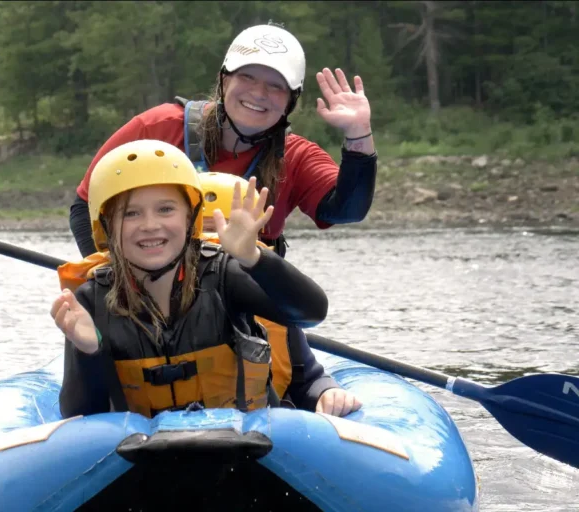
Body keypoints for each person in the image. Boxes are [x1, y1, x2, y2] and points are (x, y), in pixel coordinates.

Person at [51, 140, 360, 419]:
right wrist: (88, 351)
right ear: (106, 226)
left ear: (190, 218)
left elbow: (311, 312)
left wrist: (254, 258)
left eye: (166, 209)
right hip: (145, 463)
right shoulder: (92, 299)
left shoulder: (225, 276)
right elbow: (80, 417)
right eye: (131, 214)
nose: (150, 225)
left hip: (244, 457)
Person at [69, 23, 377, 259]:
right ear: (224, 80)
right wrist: (109, 278)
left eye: (275, 86)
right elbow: (85, 205)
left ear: (290, 102)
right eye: (247, 78)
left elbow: (347, 210)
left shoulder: (296, 156)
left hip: (242, 306)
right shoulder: (157, 127)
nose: (258, 93)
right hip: (149, 295)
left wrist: (358, 134)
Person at [199, 171, 360, 415]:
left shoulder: (270, 294)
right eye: (204, 230)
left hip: (266, 428)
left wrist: (326, 392)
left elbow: (306, 378)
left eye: (229, 229)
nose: (215, 241)